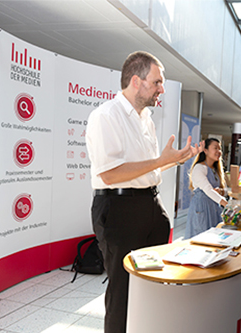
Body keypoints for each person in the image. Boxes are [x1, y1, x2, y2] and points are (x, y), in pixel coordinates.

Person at [85, 51, 201, 333]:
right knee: (123, 291)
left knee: (151, 286)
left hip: (151, 205)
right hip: (119, 211)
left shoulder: (146, 119)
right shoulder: (105, 116)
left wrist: (171, 160)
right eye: (157, 82)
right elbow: (110, 173)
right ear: (136, 81)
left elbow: (146, 171)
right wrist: (161, 161)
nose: (161, 88)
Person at [184, 138, 228, 238]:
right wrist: (226, 204)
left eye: (220, 149)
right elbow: (208, 189)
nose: (219, 151)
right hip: (202, 208)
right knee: (200, 239)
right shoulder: (199, 168)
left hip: (214, 208)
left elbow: (225, 190)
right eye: (215, 148)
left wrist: (221, 191)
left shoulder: (216, 169)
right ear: (206, 150)